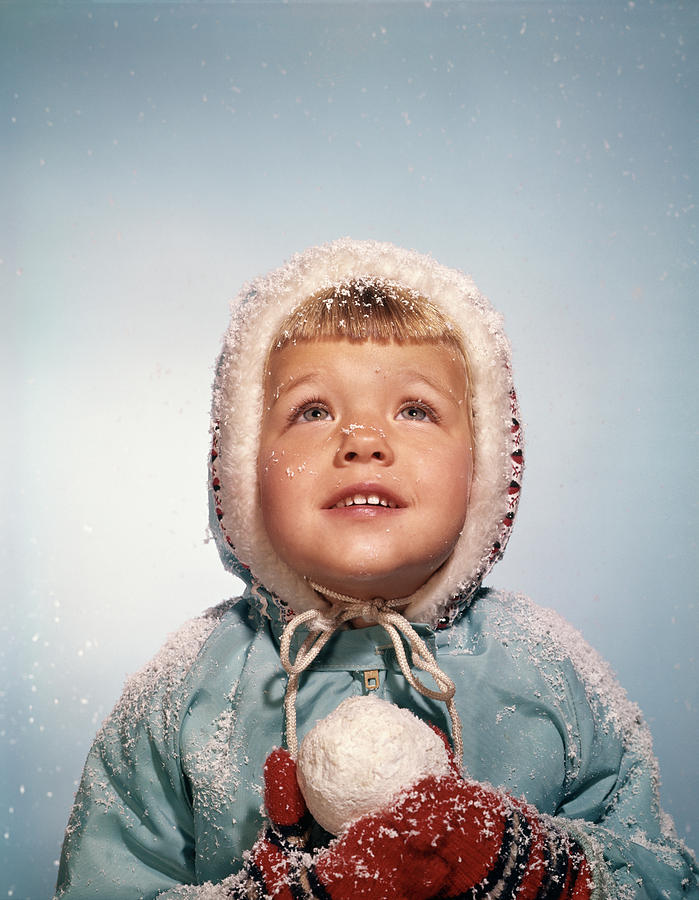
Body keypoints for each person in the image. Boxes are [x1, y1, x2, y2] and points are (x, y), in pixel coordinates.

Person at [55, 240, 697, 899]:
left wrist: (545, 871)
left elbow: (661, 874)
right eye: (313, 411)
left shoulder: (550, 672)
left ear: (485, 466)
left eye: (414, 410)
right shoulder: (182, 688)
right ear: (244, 465)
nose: (363, 441)